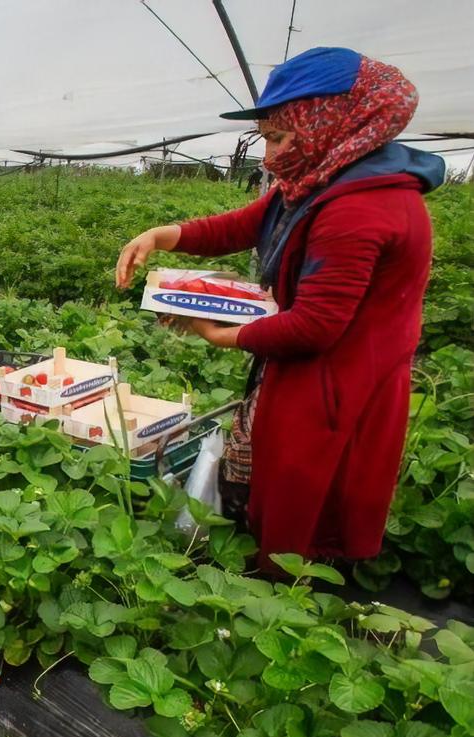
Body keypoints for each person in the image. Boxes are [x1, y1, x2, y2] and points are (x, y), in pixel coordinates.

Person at [116, 47, 444, 569]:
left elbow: (314, 326)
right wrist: (162, 236)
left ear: (329, 122)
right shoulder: (322, 179)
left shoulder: (361, 207)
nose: (269, 156)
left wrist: (221, 333)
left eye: (278, 136)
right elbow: (246, 223)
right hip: (307, 368)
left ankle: (289, 598)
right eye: (266, 138)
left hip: (339, 380)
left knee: (306, 498)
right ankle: (267, 568)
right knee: (274, 477)